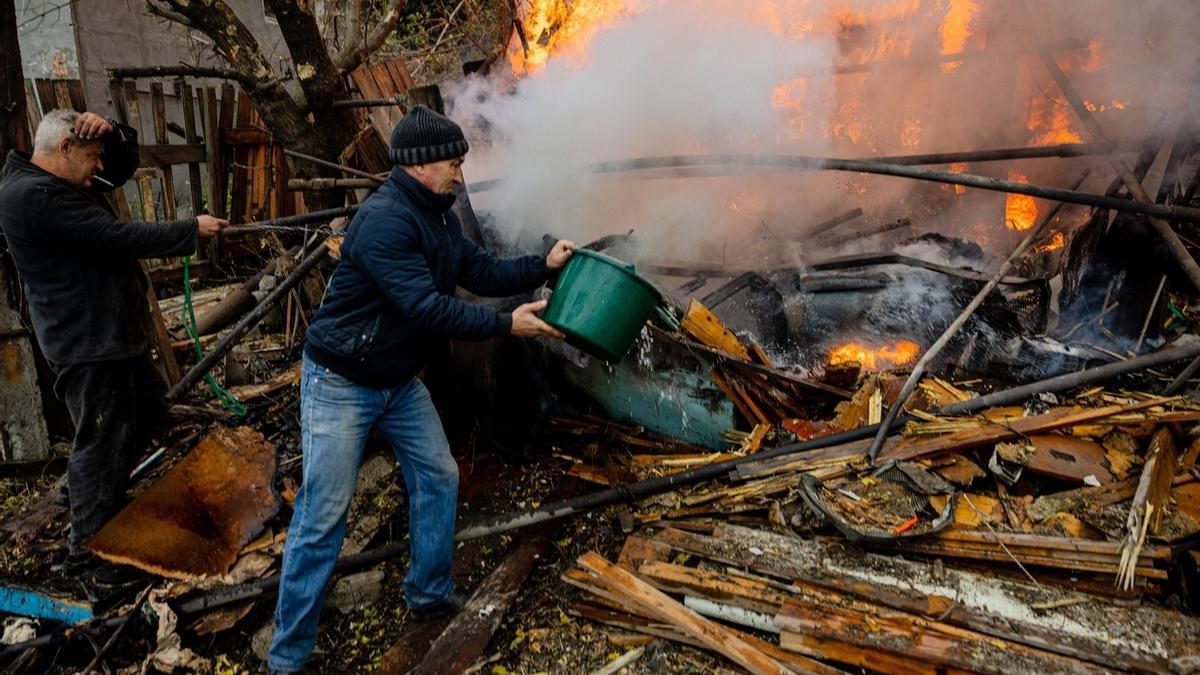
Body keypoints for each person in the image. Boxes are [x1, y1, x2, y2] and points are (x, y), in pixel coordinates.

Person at [267, 105, 575, 674]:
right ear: (421, 163)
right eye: (454, 162)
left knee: (437, 474)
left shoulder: (438, 215)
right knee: (323, 515)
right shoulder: (385, 221)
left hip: (395, 380)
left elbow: (479, 272)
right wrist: (510, 324)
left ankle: (428, 592)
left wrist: (543, 265)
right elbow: (429, 308)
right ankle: (287, 660)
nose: (460, 172)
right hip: (341, 381)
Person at [0, 109, 228, 583]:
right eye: (92, 157)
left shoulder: (62, 181)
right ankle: (86, 558)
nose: (99, 169)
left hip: (110, 335)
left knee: (146, 412)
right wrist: (190, 230)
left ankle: (97, 497)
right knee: (98, 440)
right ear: (64, 149)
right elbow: (116, 236)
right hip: (86, 342)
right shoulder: (35, 197)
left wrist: (111, 131)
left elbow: (118, 170)